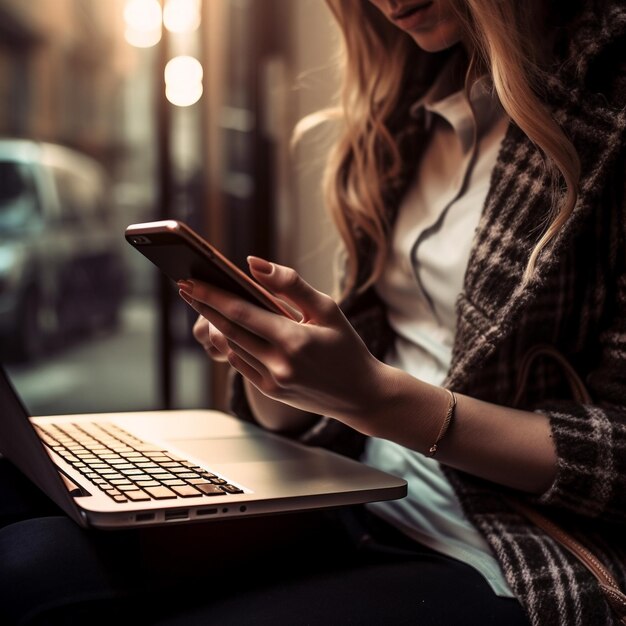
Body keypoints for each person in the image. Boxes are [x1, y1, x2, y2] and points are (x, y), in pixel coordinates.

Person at [0, 0, 624, 625]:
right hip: (354, 482)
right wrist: (274, 371)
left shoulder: (604, 101)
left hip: (496, 541)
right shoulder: (405, 110)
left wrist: (376, 399)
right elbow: (365, 379)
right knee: (22, 561)